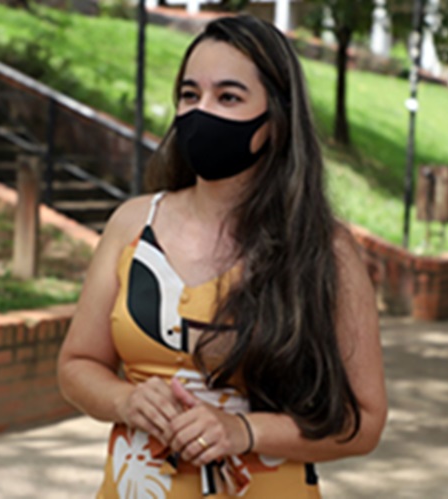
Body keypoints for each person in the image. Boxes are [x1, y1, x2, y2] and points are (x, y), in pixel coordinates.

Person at [57, 14, 387, 498]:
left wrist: (244, 430)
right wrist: (125, 400)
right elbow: (76, 365)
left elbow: (364, 422)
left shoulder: (324, 249)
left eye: (228, 97)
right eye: (190, 95)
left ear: (277, 120)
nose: (201, 112)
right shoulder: (132, 225)